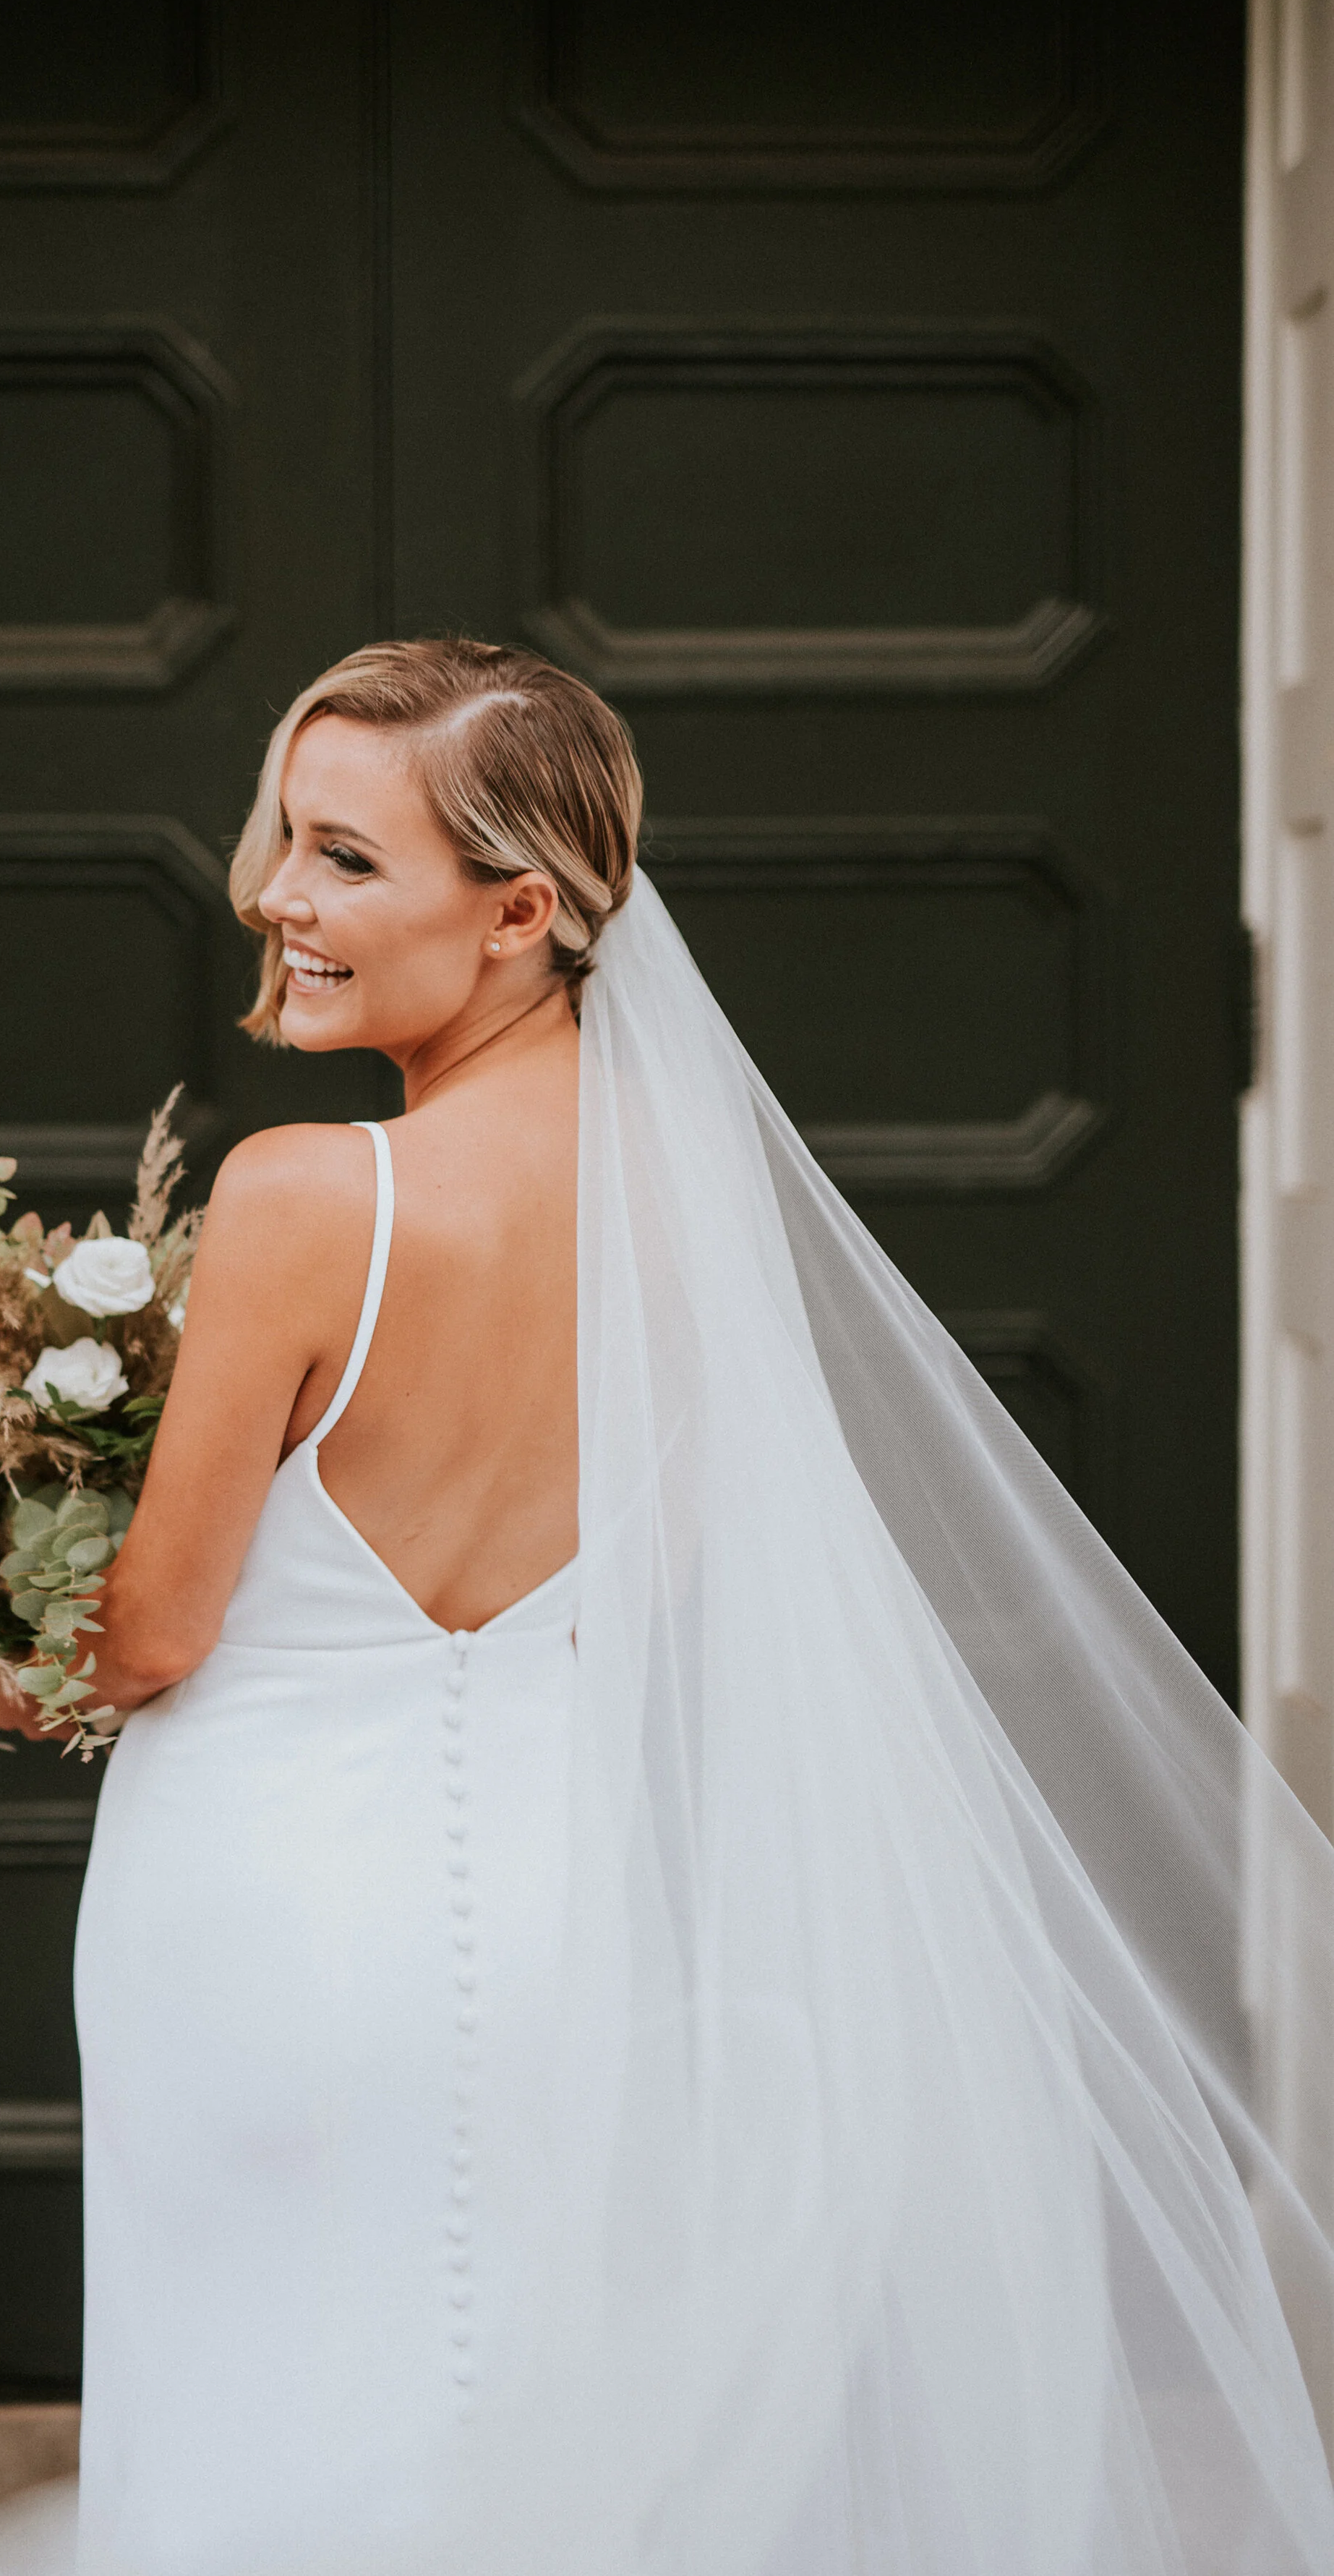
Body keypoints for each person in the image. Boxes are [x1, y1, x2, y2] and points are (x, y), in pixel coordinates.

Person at [70, 639, 1334, 2576]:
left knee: (256, 2368)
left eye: (338, 858)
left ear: (514, 915)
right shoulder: (692, 1190)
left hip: (265, 1914)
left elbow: (153, 1635)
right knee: (521, 2396)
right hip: (571, 1915)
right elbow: (674, 1577)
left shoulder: (308, 1196)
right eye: (283, 842)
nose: (271, 897)